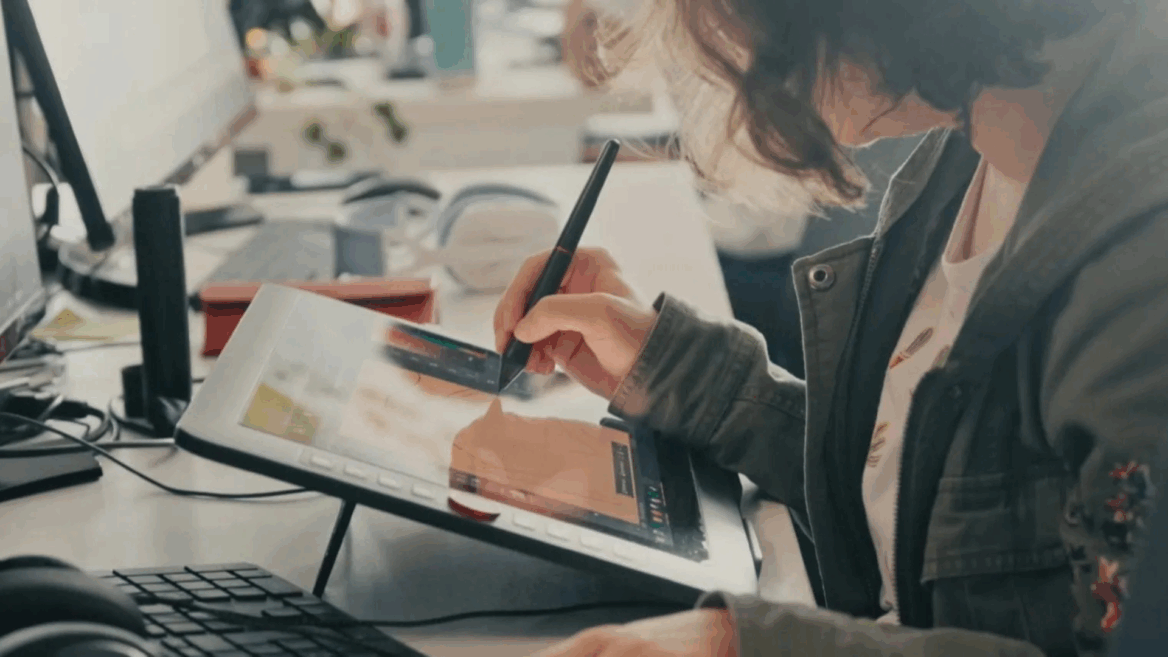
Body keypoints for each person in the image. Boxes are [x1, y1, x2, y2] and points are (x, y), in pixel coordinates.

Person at [496, 0, 1168, 654]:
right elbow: (903, 489)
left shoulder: (1139, 274)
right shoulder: (977, 142)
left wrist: (748, 642)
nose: (747, 69)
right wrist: (670, 366)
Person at [562, 0, 921, 378]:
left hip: (767, 254)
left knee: (624, 263)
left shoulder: (771, 25)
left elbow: (756, 207)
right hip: (754, 216)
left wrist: (672, 170)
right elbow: (586, 52)